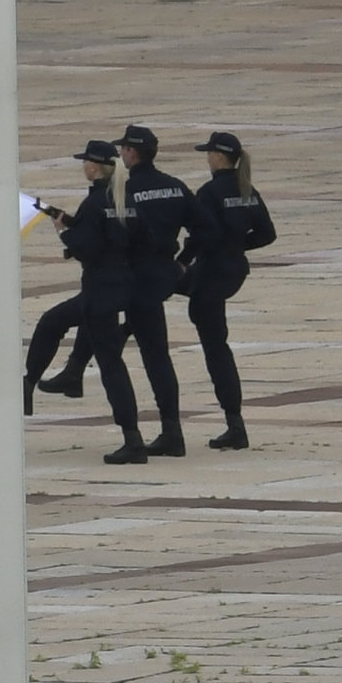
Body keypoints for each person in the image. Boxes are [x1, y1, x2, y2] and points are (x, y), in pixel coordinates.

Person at [40, 141, 154, 462]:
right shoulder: (124, 198)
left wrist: (64, 232)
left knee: (111, 366)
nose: (84, 166)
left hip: (99, 291)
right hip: (125, 286)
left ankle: (132, 439)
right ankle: (72, 374)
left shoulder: (94, 203)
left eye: (85, 162)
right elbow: (141, 238)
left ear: (94, 166)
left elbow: (87, 249)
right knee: (110, 361)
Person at [176, 129, 271, 451]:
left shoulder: (210, 192)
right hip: (232, 271)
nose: (207, 158)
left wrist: (181, 261)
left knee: (215, 348)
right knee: (164, 287)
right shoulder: (247, 190)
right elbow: (267, 233)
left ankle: (235, 424)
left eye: (209, 153)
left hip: (211, 274)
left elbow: (200, 235)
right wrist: (235, 246)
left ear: (218, 156)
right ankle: (126, 329)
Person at [104, 125, 195, 455]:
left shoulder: (124, 190)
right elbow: (205, 228)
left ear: (131, 152)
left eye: (123, 149)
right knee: (158, 355)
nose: (121, 154)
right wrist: (182, 262)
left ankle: (147, 434)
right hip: (162, 274)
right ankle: (172, 428)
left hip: (134, 278)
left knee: (127, 349)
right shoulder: (175, 186)